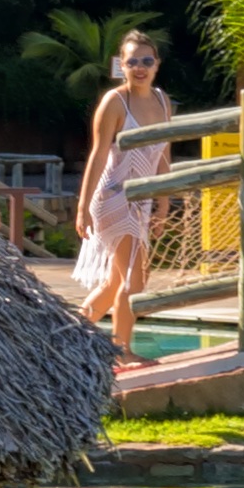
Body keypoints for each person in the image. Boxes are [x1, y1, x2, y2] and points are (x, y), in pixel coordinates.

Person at [69, 28, 172, 329]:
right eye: (132, 62)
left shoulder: (163, 101)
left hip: (142, 201)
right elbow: (98, 156)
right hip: (114, 197)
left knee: (117, 281)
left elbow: (164, 155)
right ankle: (123, 349)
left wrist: (163, 202)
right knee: (133, 276)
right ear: (121, 66)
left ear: (157, 64)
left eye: (146, 61)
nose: (139, 68)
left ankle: (68, 337)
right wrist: (82, 206)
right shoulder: (115, 102)